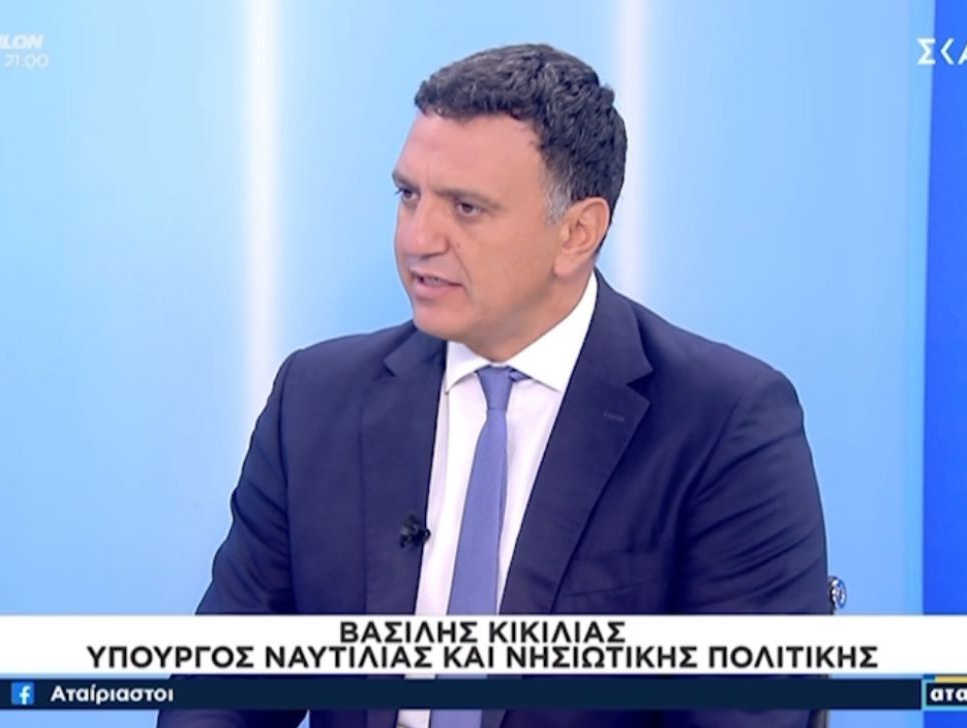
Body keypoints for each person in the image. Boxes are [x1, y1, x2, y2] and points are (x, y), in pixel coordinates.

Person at [159, 43, 828, 728]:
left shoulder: (723, 425)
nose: (418, 238)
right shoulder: (316, 400)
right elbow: (219, 693)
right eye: (408, 195)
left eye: (466, 207)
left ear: (577, 232)